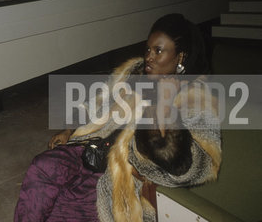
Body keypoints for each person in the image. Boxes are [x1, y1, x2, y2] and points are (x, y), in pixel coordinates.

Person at [14, 14, 221, 222]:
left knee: (69, 207)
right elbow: (97, 102)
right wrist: (70, 128)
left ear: (181, 57)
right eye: (148, 49)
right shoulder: (134, 72)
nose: (149, 57)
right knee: (44, 166)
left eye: (159, 51)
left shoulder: (196, 98)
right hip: (91, 149)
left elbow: (193, 166)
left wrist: (165, 107)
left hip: (119, 176)